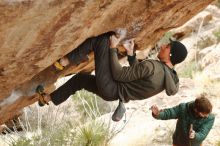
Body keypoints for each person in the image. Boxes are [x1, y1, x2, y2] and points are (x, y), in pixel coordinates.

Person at [37, 29, 188, 121]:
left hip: (111, 85)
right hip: (113, 93)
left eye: (167, 47)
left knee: (102, 40)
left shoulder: (154, 66)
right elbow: (139, 75)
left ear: (171, 54)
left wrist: (113, 48)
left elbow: (118, 74)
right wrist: (130, 54)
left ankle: (65, 61)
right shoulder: (167, 77)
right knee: (81, 79)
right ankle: (47, 98)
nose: (163, 46)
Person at [151, 94, 215, 146]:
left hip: (195, 144)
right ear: (196, 110)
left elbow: (203, 134)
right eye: (204, 114)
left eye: (208, 113)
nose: (207, 116)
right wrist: (158, 114)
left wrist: (195, 135)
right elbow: (170, 112)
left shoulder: (210, 118)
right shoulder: (183, 108)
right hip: (179, 142)